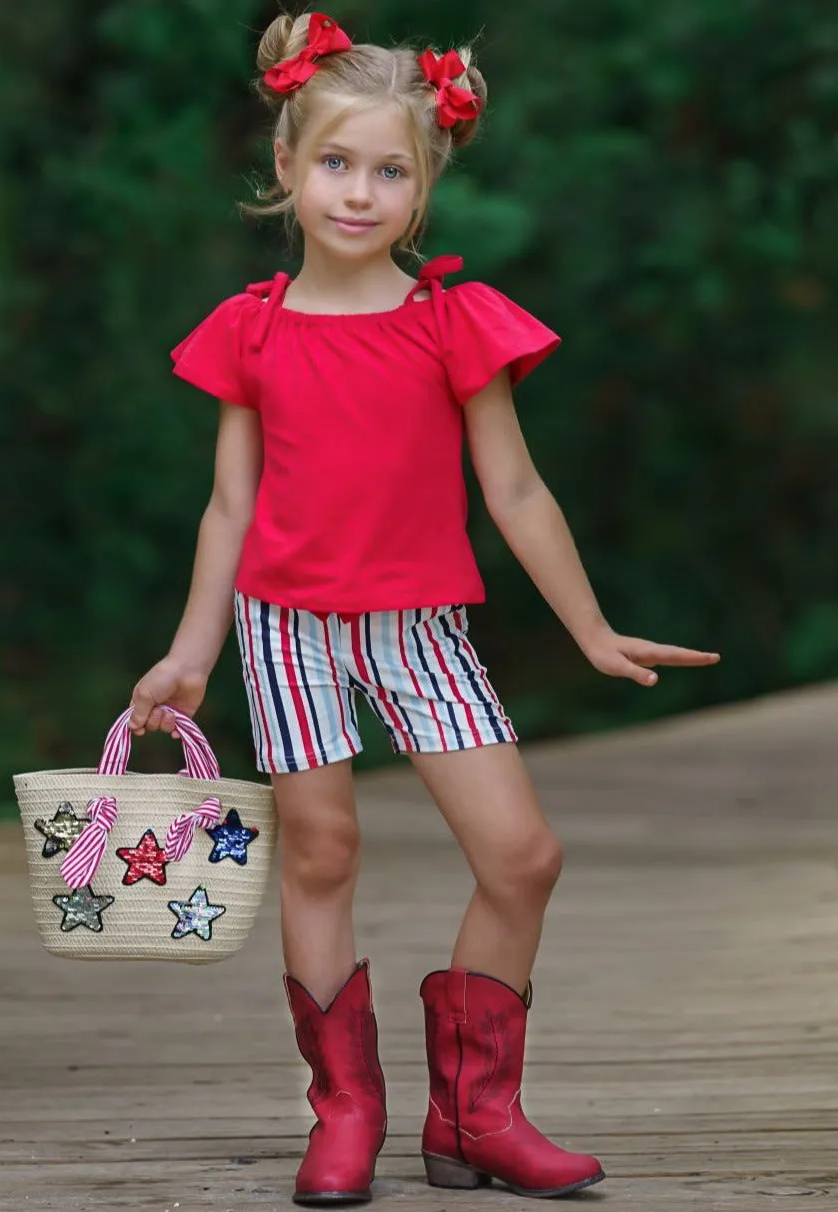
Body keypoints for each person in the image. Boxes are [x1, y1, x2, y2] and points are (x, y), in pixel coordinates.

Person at [129, 10, 720, 1205]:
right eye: (335, 163)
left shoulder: (449, 322)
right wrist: (192, 653)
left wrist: (591, 629)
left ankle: (476, 1118)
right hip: (286, 627)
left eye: (389, 170)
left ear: (424, 184)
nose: (359, 192)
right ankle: (344, 1111)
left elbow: (513, 488)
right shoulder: (251, 331)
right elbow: (228, 510)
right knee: (323, 851)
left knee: (522, 855)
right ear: (287, 167)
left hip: (423, 630)